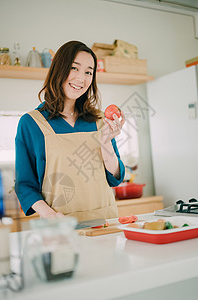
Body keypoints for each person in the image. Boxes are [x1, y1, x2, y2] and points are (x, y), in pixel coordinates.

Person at [15, 40, 125, 221]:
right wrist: (51, 216)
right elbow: (25, 185)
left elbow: (115, 178)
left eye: (88, 72)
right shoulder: (31, 123)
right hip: (61, 226)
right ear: (59, 69)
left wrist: (106, 143)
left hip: (105, 224)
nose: (81, 78)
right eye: (74, 68)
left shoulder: (100, 120)